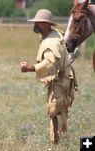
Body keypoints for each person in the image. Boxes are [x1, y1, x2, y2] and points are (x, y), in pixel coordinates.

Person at [20, 9, 78, 144]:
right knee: (60, 112)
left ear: (46, 24)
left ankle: (56, 142)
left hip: (59, 82)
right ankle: (62, 141)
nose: (35, 25)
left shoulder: (50, 41)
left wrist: (32, 68)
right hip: (62, 80)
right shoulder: (54, 35)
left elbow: (49, 62)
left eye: (38, 23)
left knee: (54, 111)